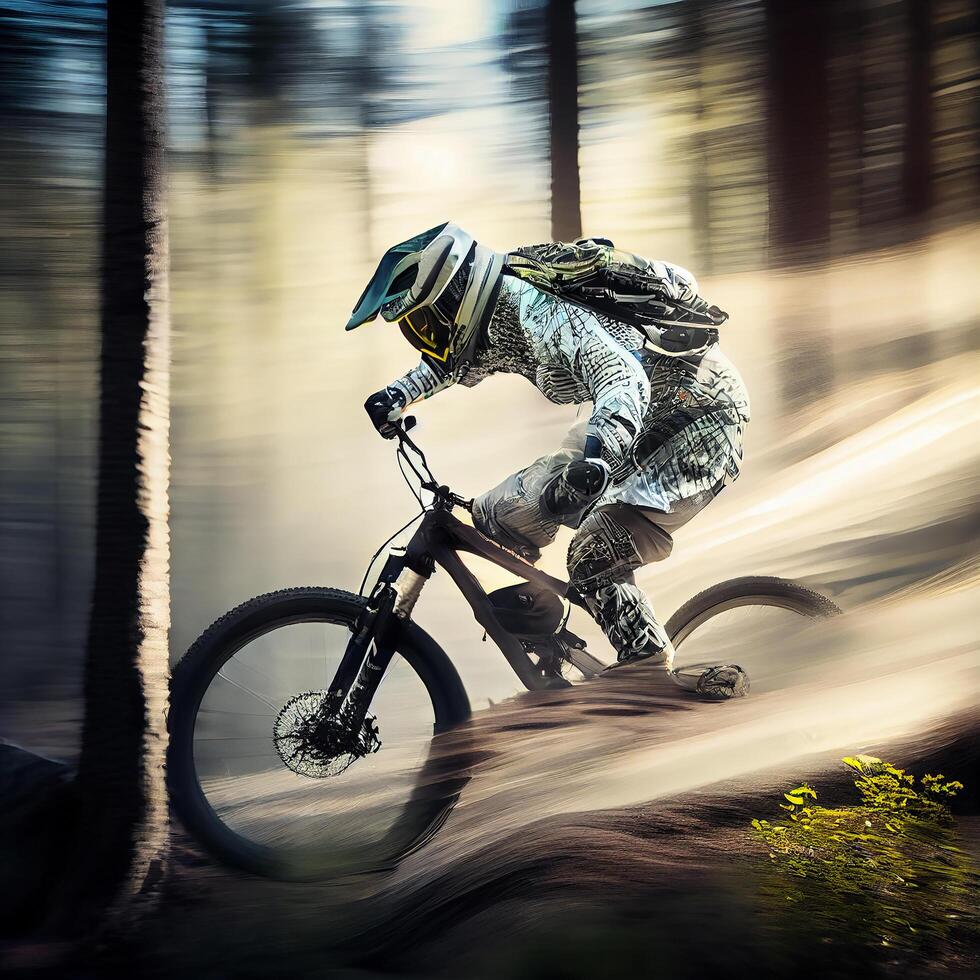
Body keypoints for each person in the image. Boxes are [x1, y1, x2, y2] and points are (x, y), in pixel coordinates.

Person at [347, 222, 749, 670]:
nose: (423, 336)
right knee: (501, 513)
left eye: (424, 322)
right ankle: (547, 626)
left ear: (455, 297)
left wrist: (597, 458)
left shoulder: (536, 311)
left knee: (595, 552)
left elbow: (623, 377)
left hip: (696, 420)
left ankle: (648, 669)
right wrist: (399, 394)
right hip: (641, 420)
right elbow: (456, 362)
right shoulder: (494, 313)